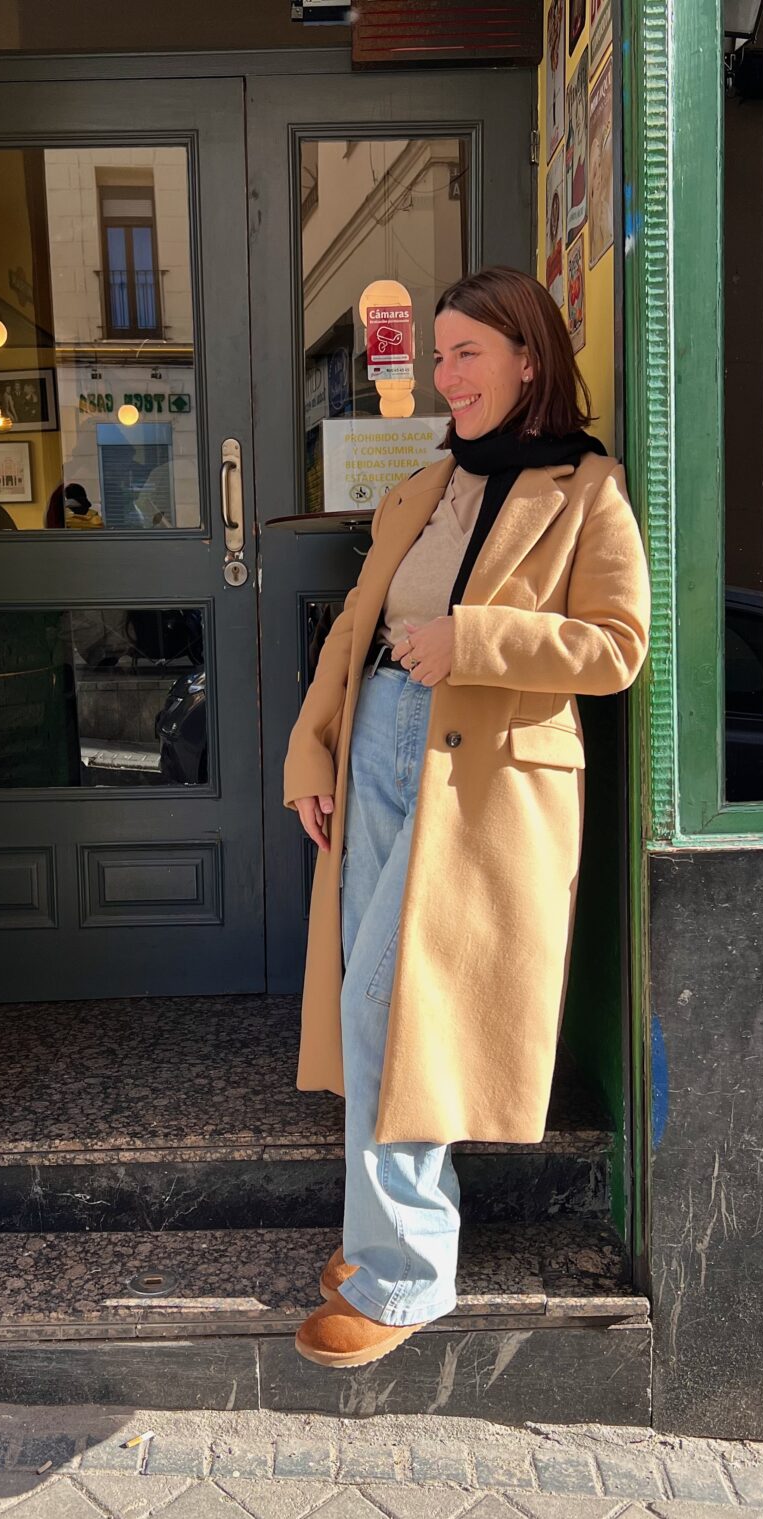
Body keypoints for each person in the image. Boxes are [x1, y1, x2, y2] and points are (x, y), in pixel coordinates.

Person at [283, 266, 651, 1369]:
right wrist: (313, 746)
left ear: (529, 359)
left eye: (468, 354)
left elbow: (617, 645)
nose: (446, 377)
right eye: (437, 356)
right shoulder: (427, 483)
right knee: (374, 1005)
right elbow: (355, 626)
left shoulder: (588, 487)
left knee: (390, 1003)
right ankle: (377, 1238)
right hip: (382, 748)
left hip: (481, 777)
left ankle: (403, 1273)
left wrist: (474, 638)